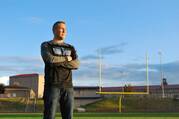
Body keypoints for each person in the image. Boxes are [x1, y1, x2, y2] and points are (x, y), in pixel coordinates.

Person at [41, 21, 80, 119]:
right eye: (61, 28)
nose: (64, 31)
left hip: (68, 87)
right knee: (49, 116)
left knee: (68, 117)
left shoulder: (70, 47)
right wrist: (67, 59)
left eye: (65, 29)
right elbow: (50, 60)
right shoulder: (46, 45)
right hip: (52, 86)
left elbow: (76, 64)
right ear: (54, 30)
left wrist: (58, 62)